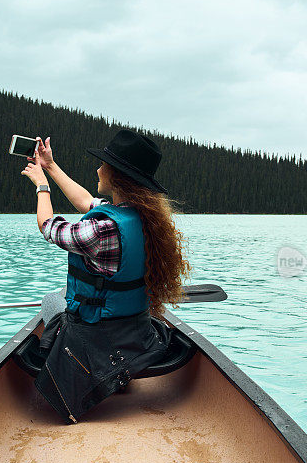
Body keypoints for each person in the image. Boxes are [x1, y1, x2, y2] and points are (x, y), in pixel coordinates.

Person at [19, 129, 190, 423]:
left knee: (52, 300)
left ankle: (79, 366)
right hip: (136, 334)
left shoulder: (102, 230)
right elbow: (85, 200)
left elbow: (48, 226)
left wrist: (41, 185)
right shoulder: (142, 215)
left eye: (103, 164)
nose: (98, 168)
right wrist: (50, 165)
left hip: (96, 338)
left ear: (117, 175)